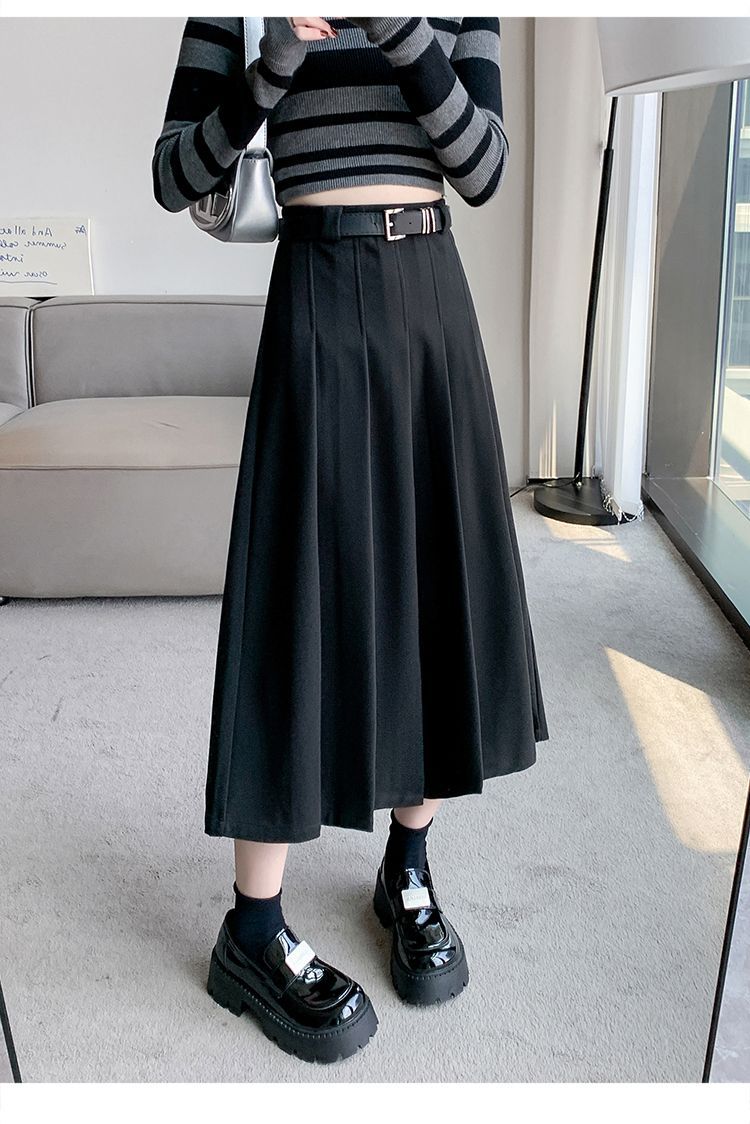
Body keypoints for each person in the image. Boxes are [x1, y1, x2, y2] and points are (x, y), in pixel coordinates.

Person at [152, 14, 550, 1065]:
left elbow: (484, 169)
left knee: (431, 585)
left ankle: (406, 868)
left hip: (431, 301)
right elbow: (173, 172)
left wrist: (402, 31)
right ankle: (252, 928)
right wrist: (274, 63)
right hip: (316, 292)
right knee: (294, 597)